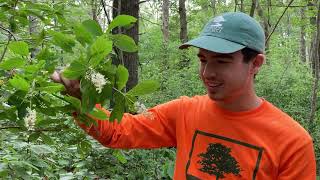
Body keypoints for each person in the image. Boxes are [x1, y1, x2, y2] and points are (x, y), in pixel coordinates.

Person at [52, 12, 316, 179]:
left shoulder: (291, 142)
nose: (207, 72)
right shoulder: (185, 111)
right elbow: (120, 132)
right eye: (203, 60)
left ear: (256, 63)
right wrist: (81, 99)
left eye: (222, 62)